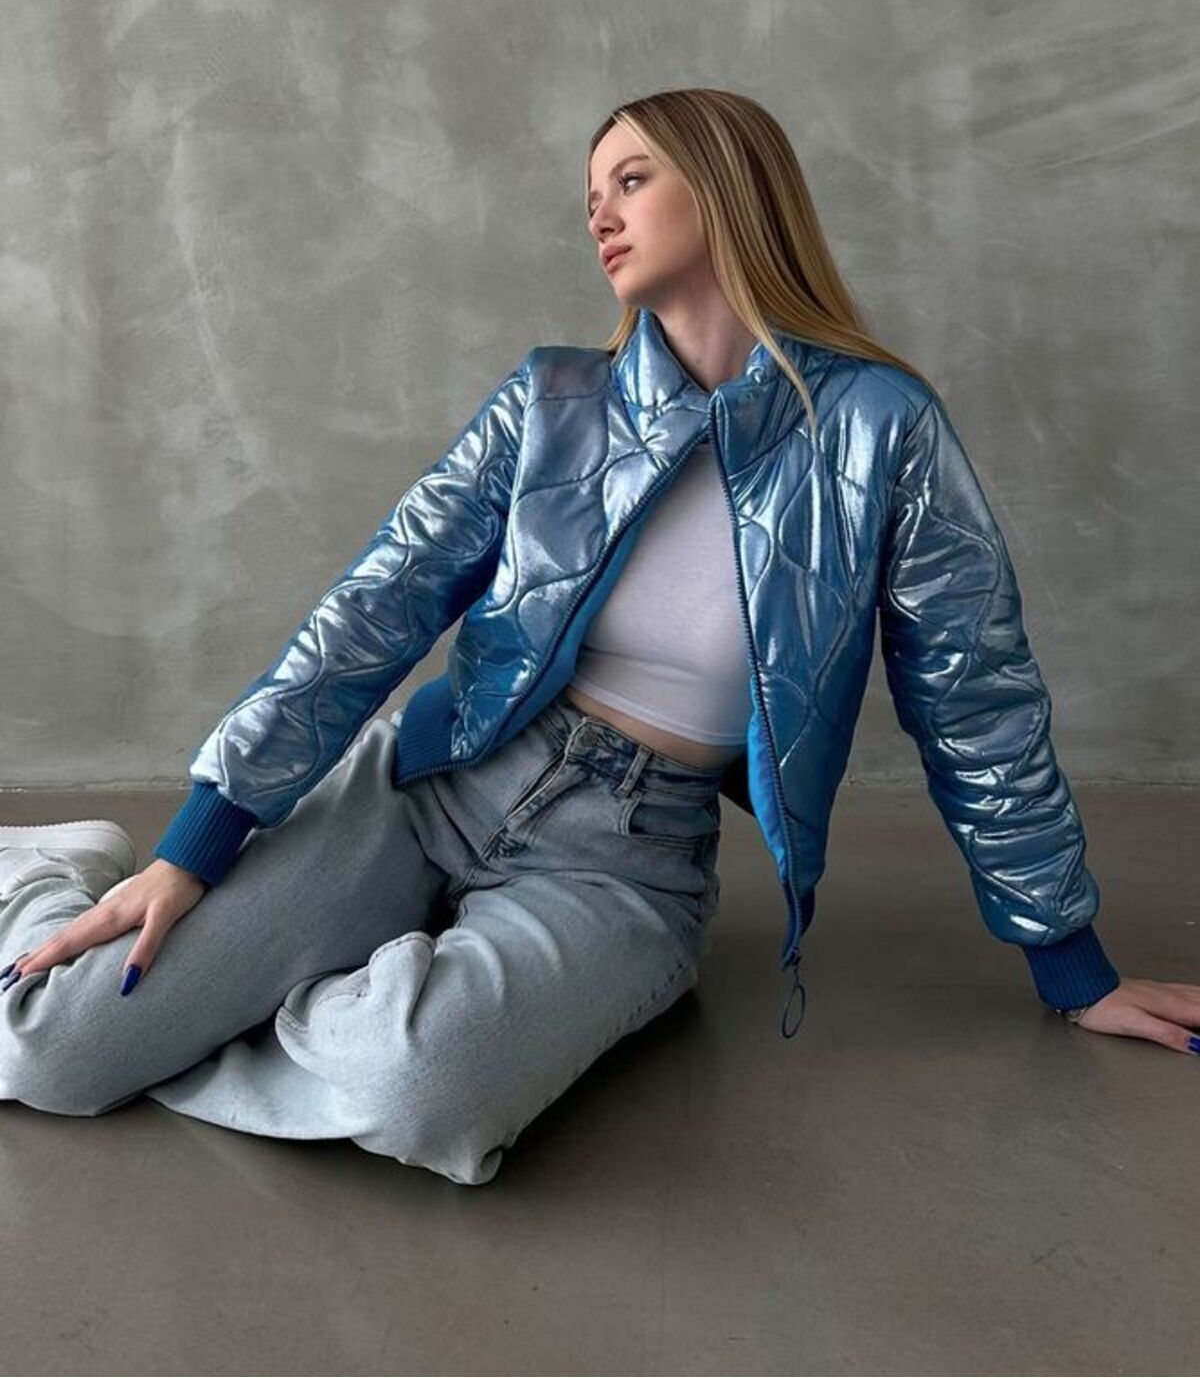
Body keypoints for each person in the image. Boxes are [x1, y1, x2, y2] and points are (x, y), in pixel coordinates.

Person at [1, 88, 1196, 1187]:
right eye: (591, 197)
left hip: (622, 863)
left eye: (631, 180)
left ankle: (361, 996)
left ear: (727, 189)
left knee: (421, 1092)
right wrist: (200, 844)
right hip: (434, 785)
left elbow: (976, 697)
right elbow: (375, 607)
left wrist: (1069, 961)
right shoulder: (550, 402)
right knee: (50, 1050)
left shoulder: (885, 431)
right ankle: (61, 877)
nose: (600, 218)